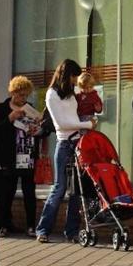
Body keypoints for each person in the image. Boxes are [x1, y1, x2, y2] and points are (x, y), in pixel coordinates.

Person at [35, 60, 92, 243]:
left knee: (76, 190)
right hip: (65, 143)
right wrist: (88, 124)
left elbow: (80, 111)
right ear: (66, 76)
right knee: (59, 188)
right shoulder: (52, 94)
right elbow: (61, 123)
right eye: (74, 77)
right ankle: (43, 229)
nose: (76, 81)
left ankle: (72, 232)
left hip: (78, 142)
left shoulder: (73, 93)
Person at [0, 76, 43, 238]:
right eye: (20, 95)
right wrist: (9, 118)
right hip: (8, 157)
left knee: (29, 192)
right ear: (13, 92)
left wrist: (37, 130)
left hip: (26, 155)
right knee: (6, 192)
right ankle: (3, 225)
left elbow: (41, 132)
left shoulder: (30, 108)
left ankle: (31, 226)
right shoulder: (0, 109)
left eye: (26, 95)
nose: (23, 99)